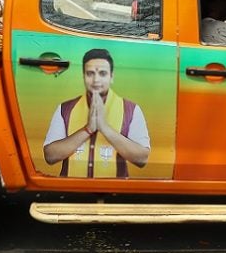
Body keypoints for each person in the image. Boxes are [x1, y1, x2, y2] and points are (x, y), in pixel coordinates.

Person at [43, 48, 150, 177]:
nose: (96, 80)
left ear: (112, 77)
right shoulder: (65, 108)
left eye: (103, 73)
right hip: (72, 192)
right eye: (90, 73)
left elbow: (142, 158)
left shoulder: (131, 110)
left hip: (115, 193)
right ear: (83, 76)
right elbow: (50, 156)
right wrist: (88, 129)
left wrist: (104, 128)